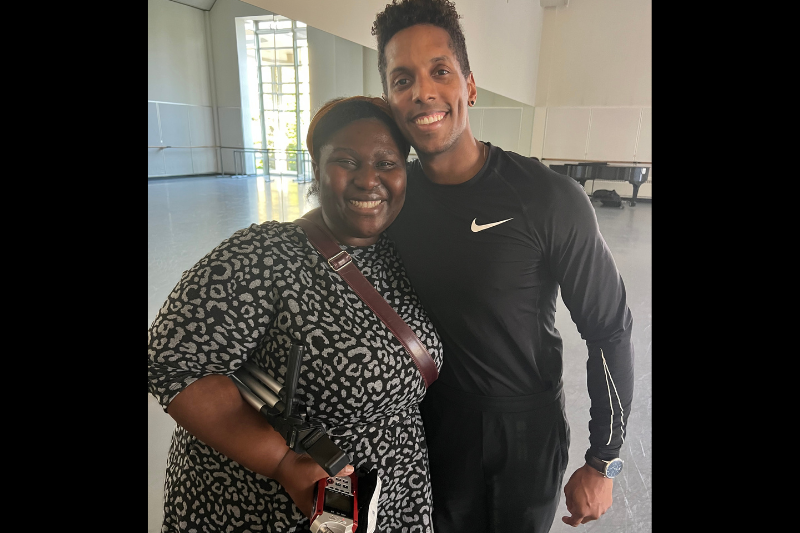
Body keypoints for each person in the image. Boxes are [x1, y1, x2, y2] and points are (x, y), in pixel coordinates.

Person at [370, 1, 635, 532]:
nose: (422, 91)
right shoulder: (389, 202)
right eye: (403, 79)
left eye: (439, 71)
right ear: (391, 100)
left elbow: (608, 328)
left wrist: (603, 459)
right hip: (424, 425)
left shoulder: (546, 199)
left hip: (521, 432)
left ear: (469, 85)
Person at [147, 95, 443, 533]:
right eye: (346, 161)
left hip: (390, 494)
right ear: (316, 169)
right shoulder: (264, 255)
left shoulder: (401, 254)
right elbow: (172, 362)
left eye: (387, 163)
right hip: (266, 507)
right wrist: (283, 461)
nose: (369, 180)